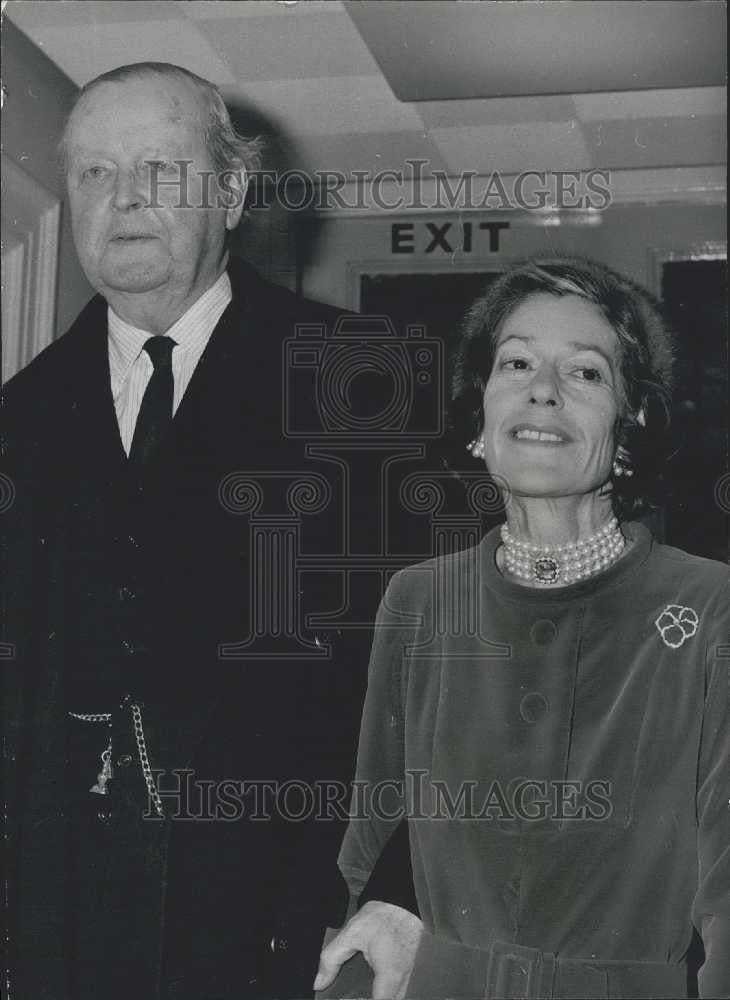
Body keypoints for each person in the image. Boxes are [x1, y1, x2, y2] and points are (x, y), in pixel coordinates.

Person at [3, 61, 366, 1000]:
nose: (122, 200)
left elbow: (429, 674)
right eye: (93, 173)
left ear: (234, 191)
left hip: (285, 929)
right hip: (57, 931)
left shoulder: (354, 379)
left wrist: (392, 893)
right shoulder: (20, 415)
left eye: (159, 169)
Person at [315, 256, 729, 999]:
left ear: (633, 425)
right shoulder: (418, 601)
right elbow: (370, 847)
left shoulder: (710, 607)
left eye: (587, 374)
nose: (543, 389)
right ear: (478, 415)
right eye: (516, 364)